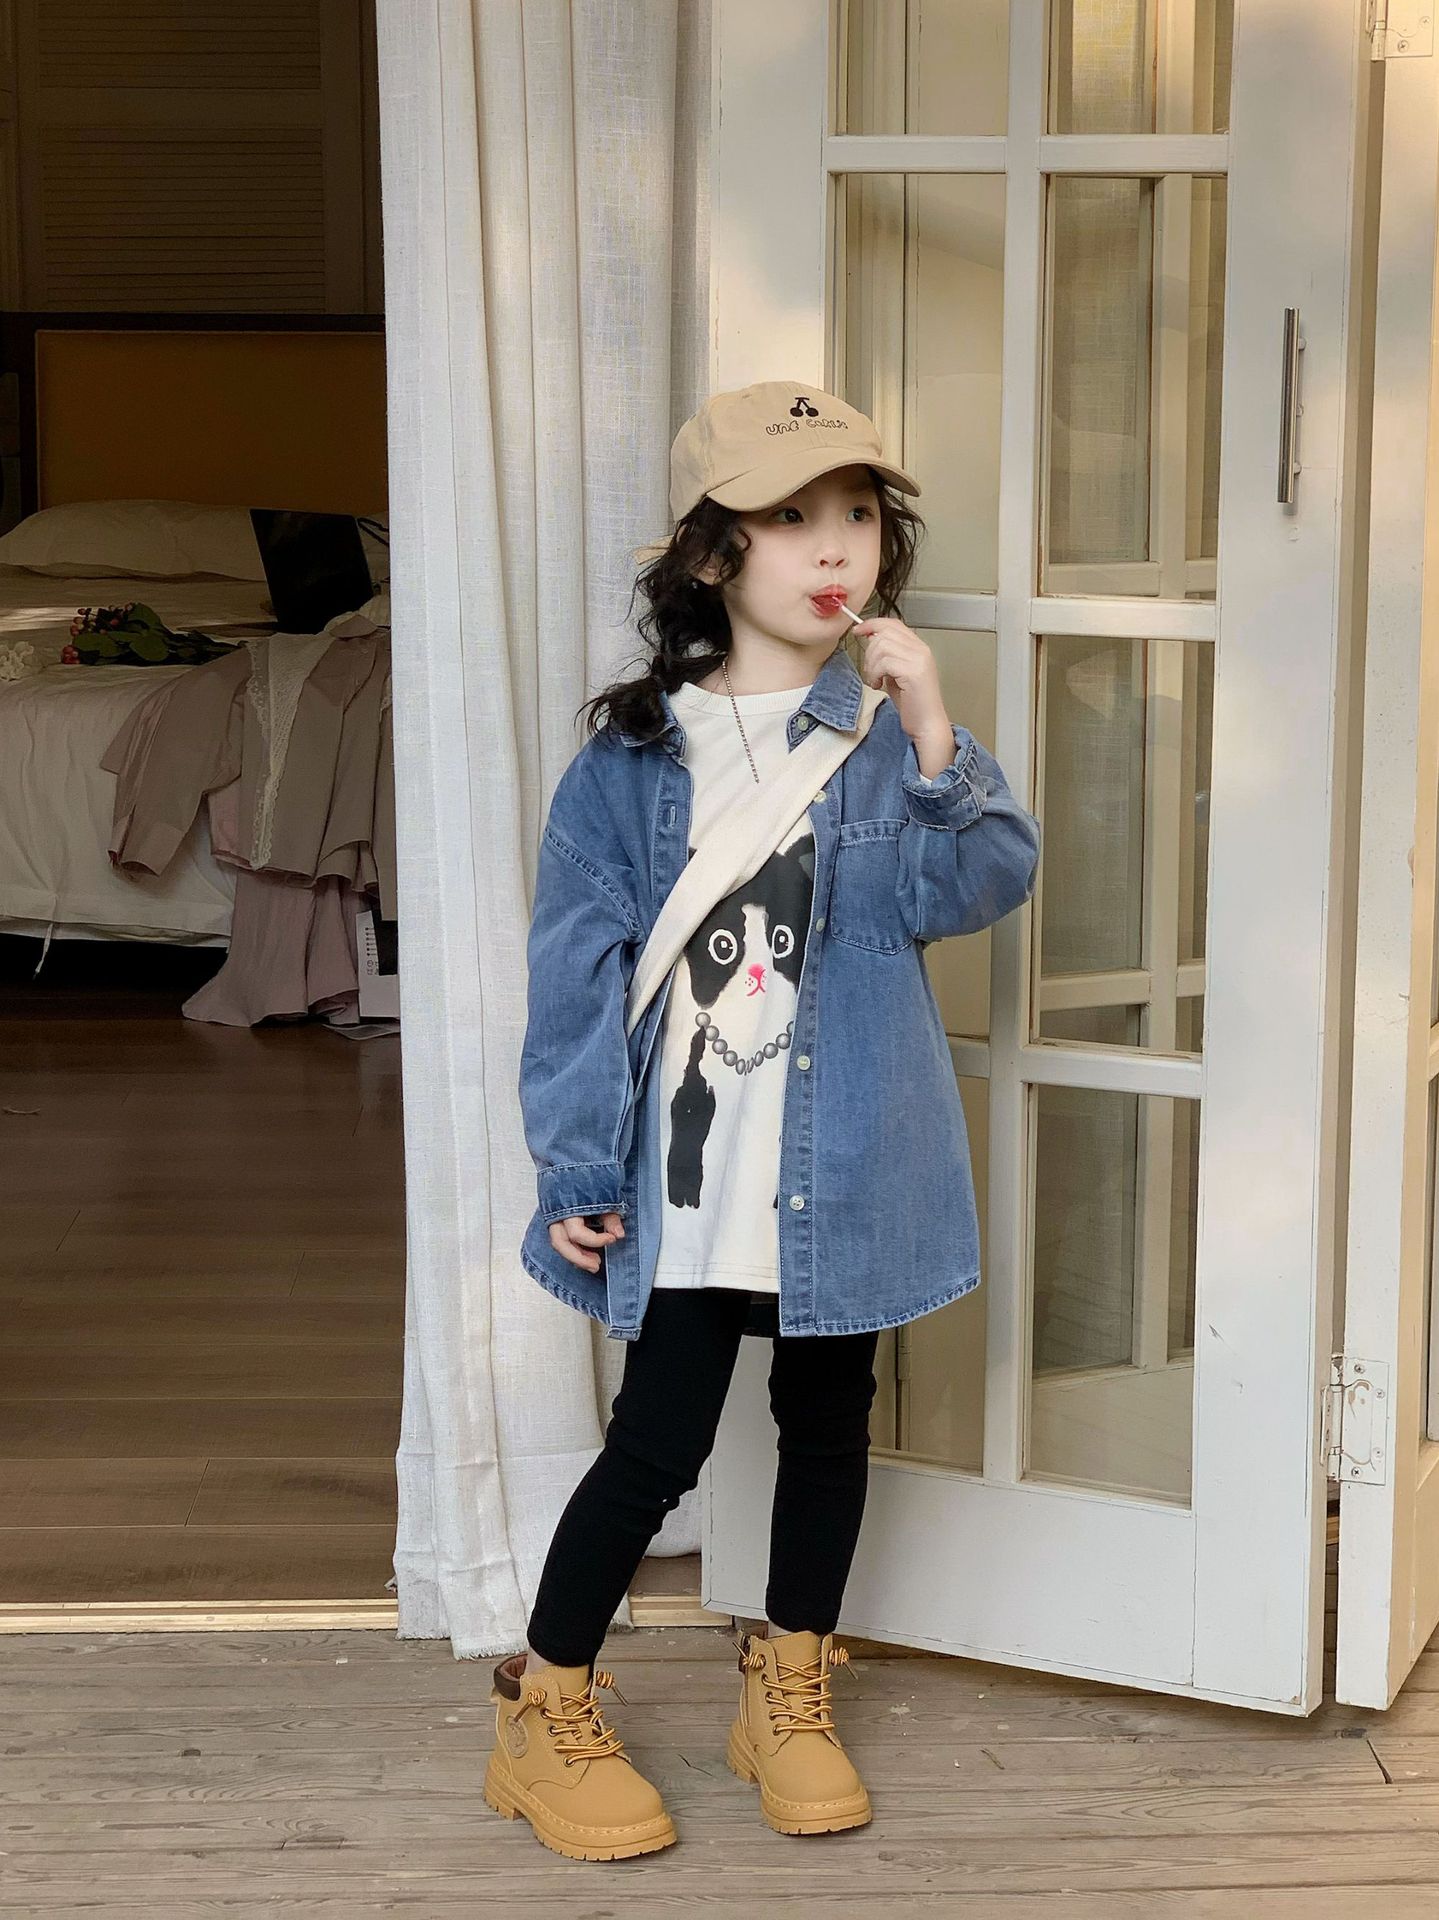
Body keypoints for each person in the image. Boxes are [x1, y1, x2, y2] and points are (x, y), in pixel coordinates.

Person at [484, 380, 1041, 1861]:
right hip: (688, 1178)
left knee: (827, 1425)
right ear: (713, 554)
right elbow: (573, 977)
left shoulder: (880, 743)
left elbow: (978, 886)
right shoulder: (630, 762)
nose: (835, 545)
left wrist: (934, 728)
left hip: (843, 1164)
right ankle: (543, 1706)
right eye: (791, 517)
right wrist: (576, 1159)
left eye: (857, 512)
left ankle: (786, 1688)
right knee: (654, 1445)